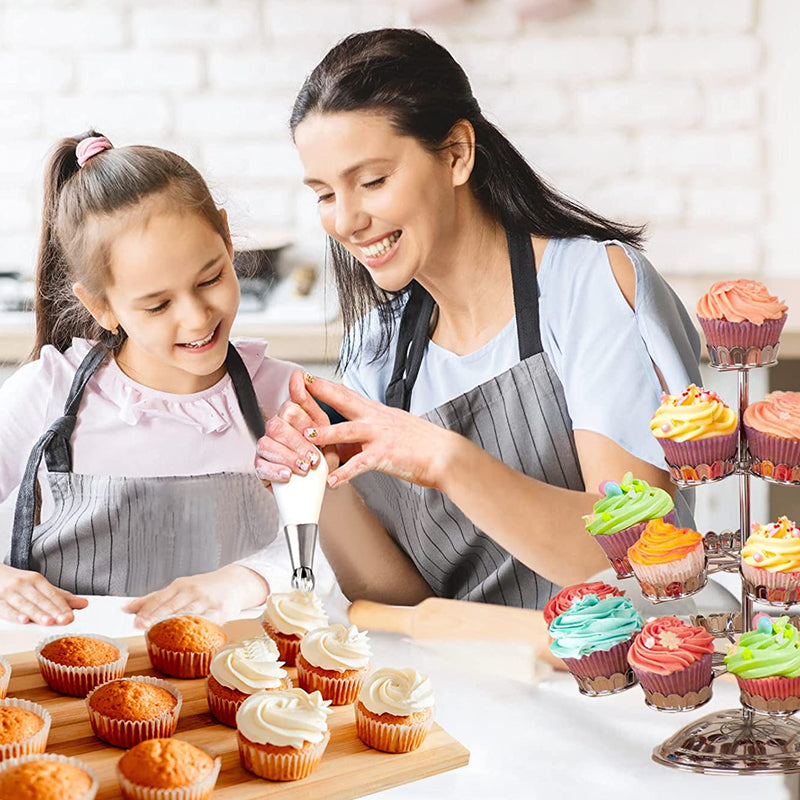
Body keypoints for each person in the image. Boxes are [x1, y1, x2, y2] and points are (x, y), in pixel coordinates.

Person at [254, 28, 702, 610]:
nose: (346, 220)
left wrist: (446, 460)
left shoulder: (590, 284)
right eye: (323, 194)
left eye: (372, 181)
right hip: (467, 681)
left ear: (457, 154)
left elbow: (635, 549)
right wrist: (313, 478)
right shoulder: (376, 350)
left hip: (622, 681)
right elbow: (398, 604)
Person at [0, 132, 298, 627]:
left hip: (234, 687)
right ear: (102, 306)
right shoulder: (44, 393)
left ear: (226, 239)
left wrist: (247, 580)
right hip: (68, 685)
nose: (197, 317)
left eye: (210, 279)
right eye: (158, 305)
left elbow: (335, 558)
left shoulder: (286, 398)